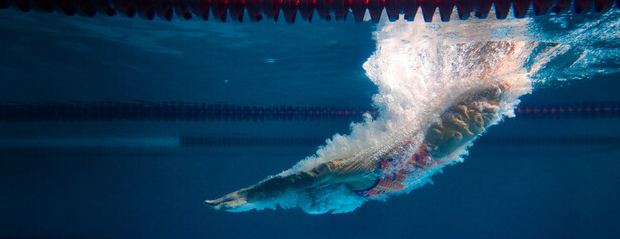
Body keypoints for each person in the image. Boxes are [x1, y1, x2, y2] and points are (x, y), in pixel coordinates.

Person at [204, 83, 506, 212]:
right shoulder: (365, 189)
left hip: (439, 143)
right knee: (498, 86)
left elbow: (312, 175)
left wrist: (253, 196)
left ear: (329, 195)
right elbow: (309, 181)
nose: (336, 211)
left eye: (327, 208)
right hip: (436, 145)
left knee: (500, 87)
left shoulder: (362, 175)